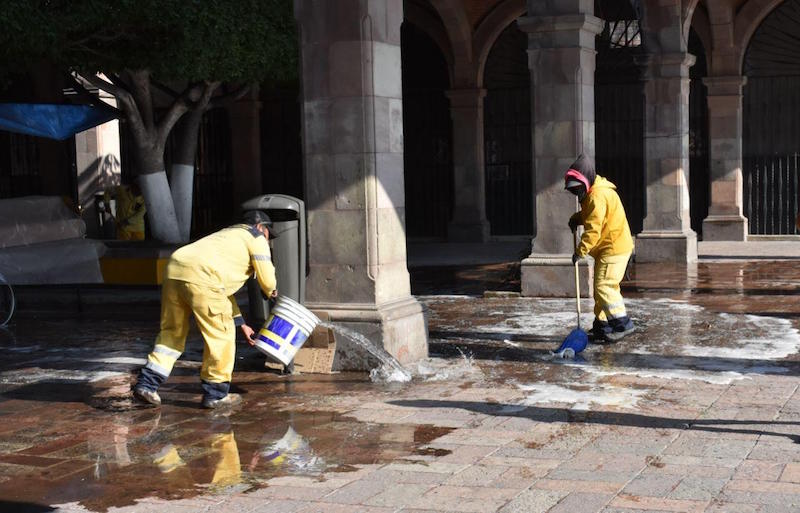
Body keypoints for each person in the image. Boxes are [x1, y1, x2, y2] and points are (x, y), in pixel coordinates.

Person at [133, 210, 278, 409]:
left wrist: (241, 323)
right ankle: (216, 394)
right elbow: (267, 277)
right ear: (261, 227)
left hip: (175, 269)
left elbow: (222, 292)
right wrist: (272, 292)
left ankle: (147, 384)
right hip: (203, 277)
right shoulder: (256, 236)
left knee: (172, 333)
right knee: (221, 336)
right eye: (269, 233)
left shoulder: (225, 235)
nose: (269, 239)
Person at [565, 154, 635, 343]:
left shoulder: (597, 195)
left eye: (577, 189)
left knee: (605, 286)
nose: (576, 194)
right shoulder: (594, 192)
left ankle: (622, 323)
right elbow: (593, 216)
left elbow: (593, 230)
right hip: (610, 247)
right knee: (601, 289)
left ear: (585, 180)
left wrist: (580, 251)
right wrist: (578, 218)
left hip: (613, 248)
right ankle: (603, 325)